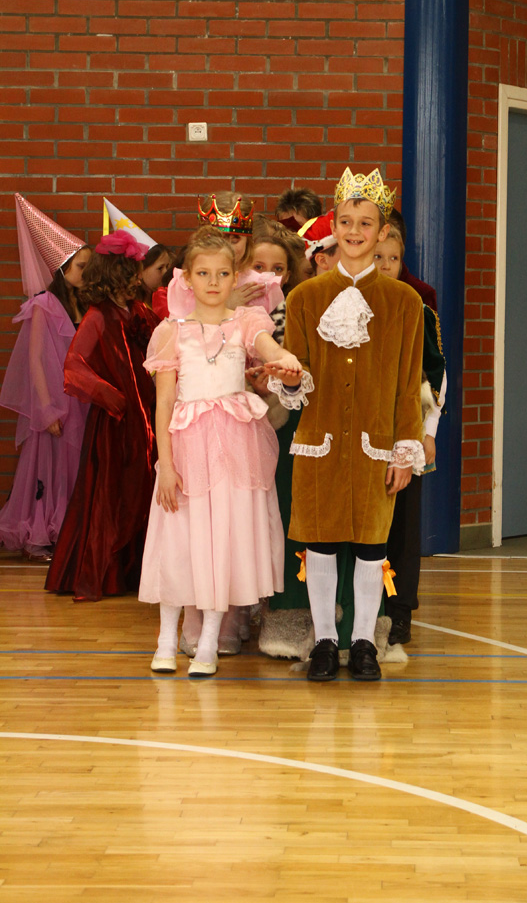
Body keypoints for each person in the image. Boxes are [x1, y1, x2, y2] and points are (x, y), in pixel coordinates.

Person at [268, 167, 424, 682]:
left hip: (377, 447)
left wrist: (405, 451)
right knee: (321, 544)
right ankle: (323, 641)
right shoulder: (305, 298)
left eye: (366, 223)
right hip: (320, 443)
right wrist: (292, 378)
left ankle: (363, 642)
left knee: (372, 546)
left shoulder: (405, 303)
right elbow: (299, 378)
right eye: (346, 221)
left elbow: (408, 384)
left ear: (383, 232)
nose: (355, 231)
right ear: (333, 227)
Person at [138, 228, 302, 678]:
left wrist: (282, 356)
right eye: (204, 273)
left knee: (222, 541)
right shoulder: (172, 332)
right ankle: (166, 639)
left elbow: (266, 346)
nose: (214, 282)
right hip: (186, 449)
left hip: (234, 449)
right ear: (187, 279)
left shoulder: (246, 321)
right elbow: (164, 403)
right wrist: (165, 464)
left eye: (223, 273)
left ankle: (209, 641)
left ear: (236, 277)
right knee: (179, 541)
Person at [45, 230, 160, 600]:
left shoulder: (140, 312)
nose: (137, 281)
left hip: (147, 418)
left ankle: (135, 569)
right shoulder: (97, 316)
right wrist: (112, 396)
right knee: (111, 492)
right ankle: (107, 571)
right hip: (116, 422)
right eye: (130, 274)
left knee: (142, 487)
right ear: (114, 275)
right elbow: (75, 366)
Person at [0, 195, 91, 560]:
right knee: (49, 468)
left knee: (72, 468)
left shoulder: (86, 305)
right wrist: (47, 408)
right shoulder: (44, 305)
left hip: (80, 401)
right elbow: (36, 360)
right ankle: (42, 532)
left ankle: (67, 530)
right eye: (81, 267)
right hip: (54, 402)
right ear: (61, 269)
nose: (87, 273)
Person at [374, 226, 446, 644]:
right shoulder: (347, 304)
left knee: (403, 524)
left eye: (393, 259)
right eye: (377, 257)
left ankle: (400, 611)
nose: (385, 266)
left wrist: (428, 431)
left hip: (406, 430)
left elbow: (435, 374)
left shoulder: (418, 309)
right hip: (362, 431)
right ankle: (365, 608)